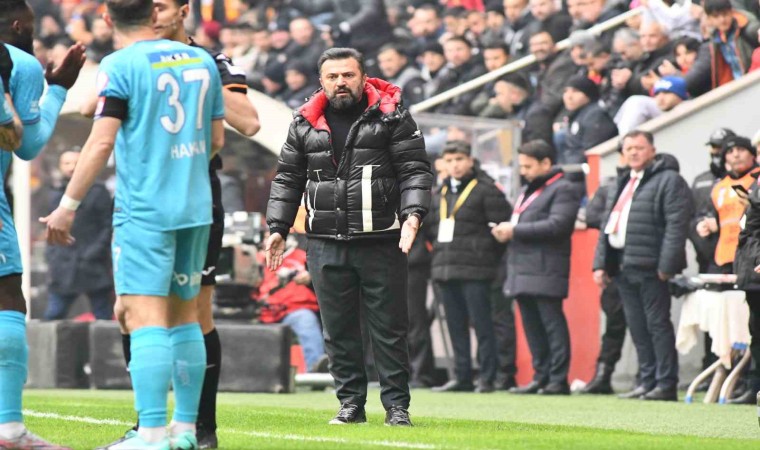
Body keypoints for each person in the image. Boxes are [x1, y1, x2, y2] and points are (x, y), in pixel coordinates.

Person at [42, 0, 225, 447]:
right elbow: (217, 139)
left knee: (143, 317)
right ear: (154, 13)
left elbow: (101, 142)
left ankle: (151, 434)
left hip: (145, 210)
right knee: (186, 316)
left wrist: (68, 205)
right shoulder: (202, 60)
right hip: (196, 207)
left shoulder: (120, 64)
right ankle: (186, 431)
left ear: (107, 19)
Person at [94, 0, 261, 446]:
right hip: (145, 195)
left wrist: (194, 74)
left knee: (196, 312)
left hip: (195, 194)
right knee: (128, 311)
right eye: (150, 7)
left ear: (184, 11)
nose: (155, 14)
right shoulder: (129, 59)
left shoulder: (213, 61)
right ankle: (147, 422)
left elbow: (249, 122)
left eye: (162, 6)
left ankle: (200, 428)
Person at [265, 47, 433, 427]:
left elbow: (415, 170)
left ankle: (396, 406)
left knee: (389, 329)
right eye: (333, 76)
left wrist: (413, 214)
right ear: (321, 81)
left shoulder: (392, 115)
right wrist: (277, 227)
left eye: (348, 75)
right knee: (338, 330)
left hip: (382, 239)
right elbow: (288, 178)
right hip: (325, 241)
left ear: (363, 77)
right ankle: (351, 404)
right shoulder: (304, 121)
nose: (340, 82)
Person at [0, 2, 85, 446]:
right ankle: (9, 428)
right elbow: (27, 144)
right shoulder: (18, 62)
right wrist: (58, 89)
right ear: (18, 25)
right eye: (30, 29)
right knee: (7, 301)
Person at [593, 130, 692, 402]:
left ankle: (665, 383)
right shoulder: (624, 181)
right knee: (637, 327)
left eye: (639, 147)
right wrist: (600, 264)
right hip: (622, 265)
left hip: (652, 267)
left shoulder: (669, 180)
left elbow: (676, 225)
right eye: (629, 149)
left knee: (657, 325)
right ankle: (646, 381)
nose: (634, 153)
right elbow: (607, 225)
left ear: (652, 151)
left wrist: (667, 265)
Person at [493, 140, 581, 395]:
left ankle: (558, 379)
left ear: (546, 163)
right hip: (521, 266)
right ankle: (540, 376)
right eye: (521, 166)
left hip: (546, 266)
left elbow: (558, 225)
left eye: (528, 166)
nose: (524, 171)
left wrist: (515, 230)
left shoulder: (563, 188)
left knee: (552, 325)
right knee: (532, 327)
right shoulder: (528, 190)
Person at [427, 141, 511, 393]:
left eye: (459, 159)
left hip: (477, 270)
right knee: (455, 326)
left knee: (483, 324)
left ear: (470, 161)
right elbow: (431, 230)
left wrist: (483, 255)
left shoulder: (486, 189)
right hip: (445, 268)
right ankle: (461, 375)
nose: (455, 165)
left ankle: (487, 376)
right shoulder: (439, 193)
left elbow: (501, 229)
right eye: (450, 160)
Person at [694, 135, 760, 404]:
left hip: (748, 260)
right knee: (751, 329)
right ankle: (751, 385)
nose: (735, 155)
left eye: (742, 150)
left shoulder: (752, 183)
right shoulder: (723, 186)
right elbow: (747, 228)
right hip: (736, 261)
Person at [44, 151, 114, 321]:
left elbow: (107, 225)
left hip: (93, 264)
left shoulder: (98, 192)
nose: (71, 168)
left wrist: (95, 251)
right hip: (63, 264)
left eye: (75, 163)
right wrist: (52, 255)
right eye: (67, 163)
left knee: (102, 315)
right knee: (54, 314)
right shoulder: (54, 193)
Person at [255, 235, 327, 373]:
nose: (269, 240)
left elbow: (323, 279)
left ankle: (315, 370)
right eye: (266, 237)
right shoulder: (256, 259)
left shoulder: (303, 257)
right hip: (260, 312)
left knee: (306, 320)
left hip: (295, 310)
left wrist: (311, 278)